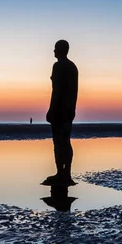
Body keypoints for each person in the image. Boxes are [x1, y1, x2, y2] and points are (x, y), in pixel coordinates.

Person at [42, 40, 78, 186]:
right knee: (66, 142)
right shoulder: (72, 67)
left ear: (61, 50)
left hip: (60, 110)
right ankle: (66, 173)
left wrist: (51, 110)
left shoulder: (58, 66)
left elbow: (56, 91)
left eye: (55, 48)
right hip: (69, 110)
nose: (53, 51)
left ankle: (60, 173)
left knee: (58, 142)